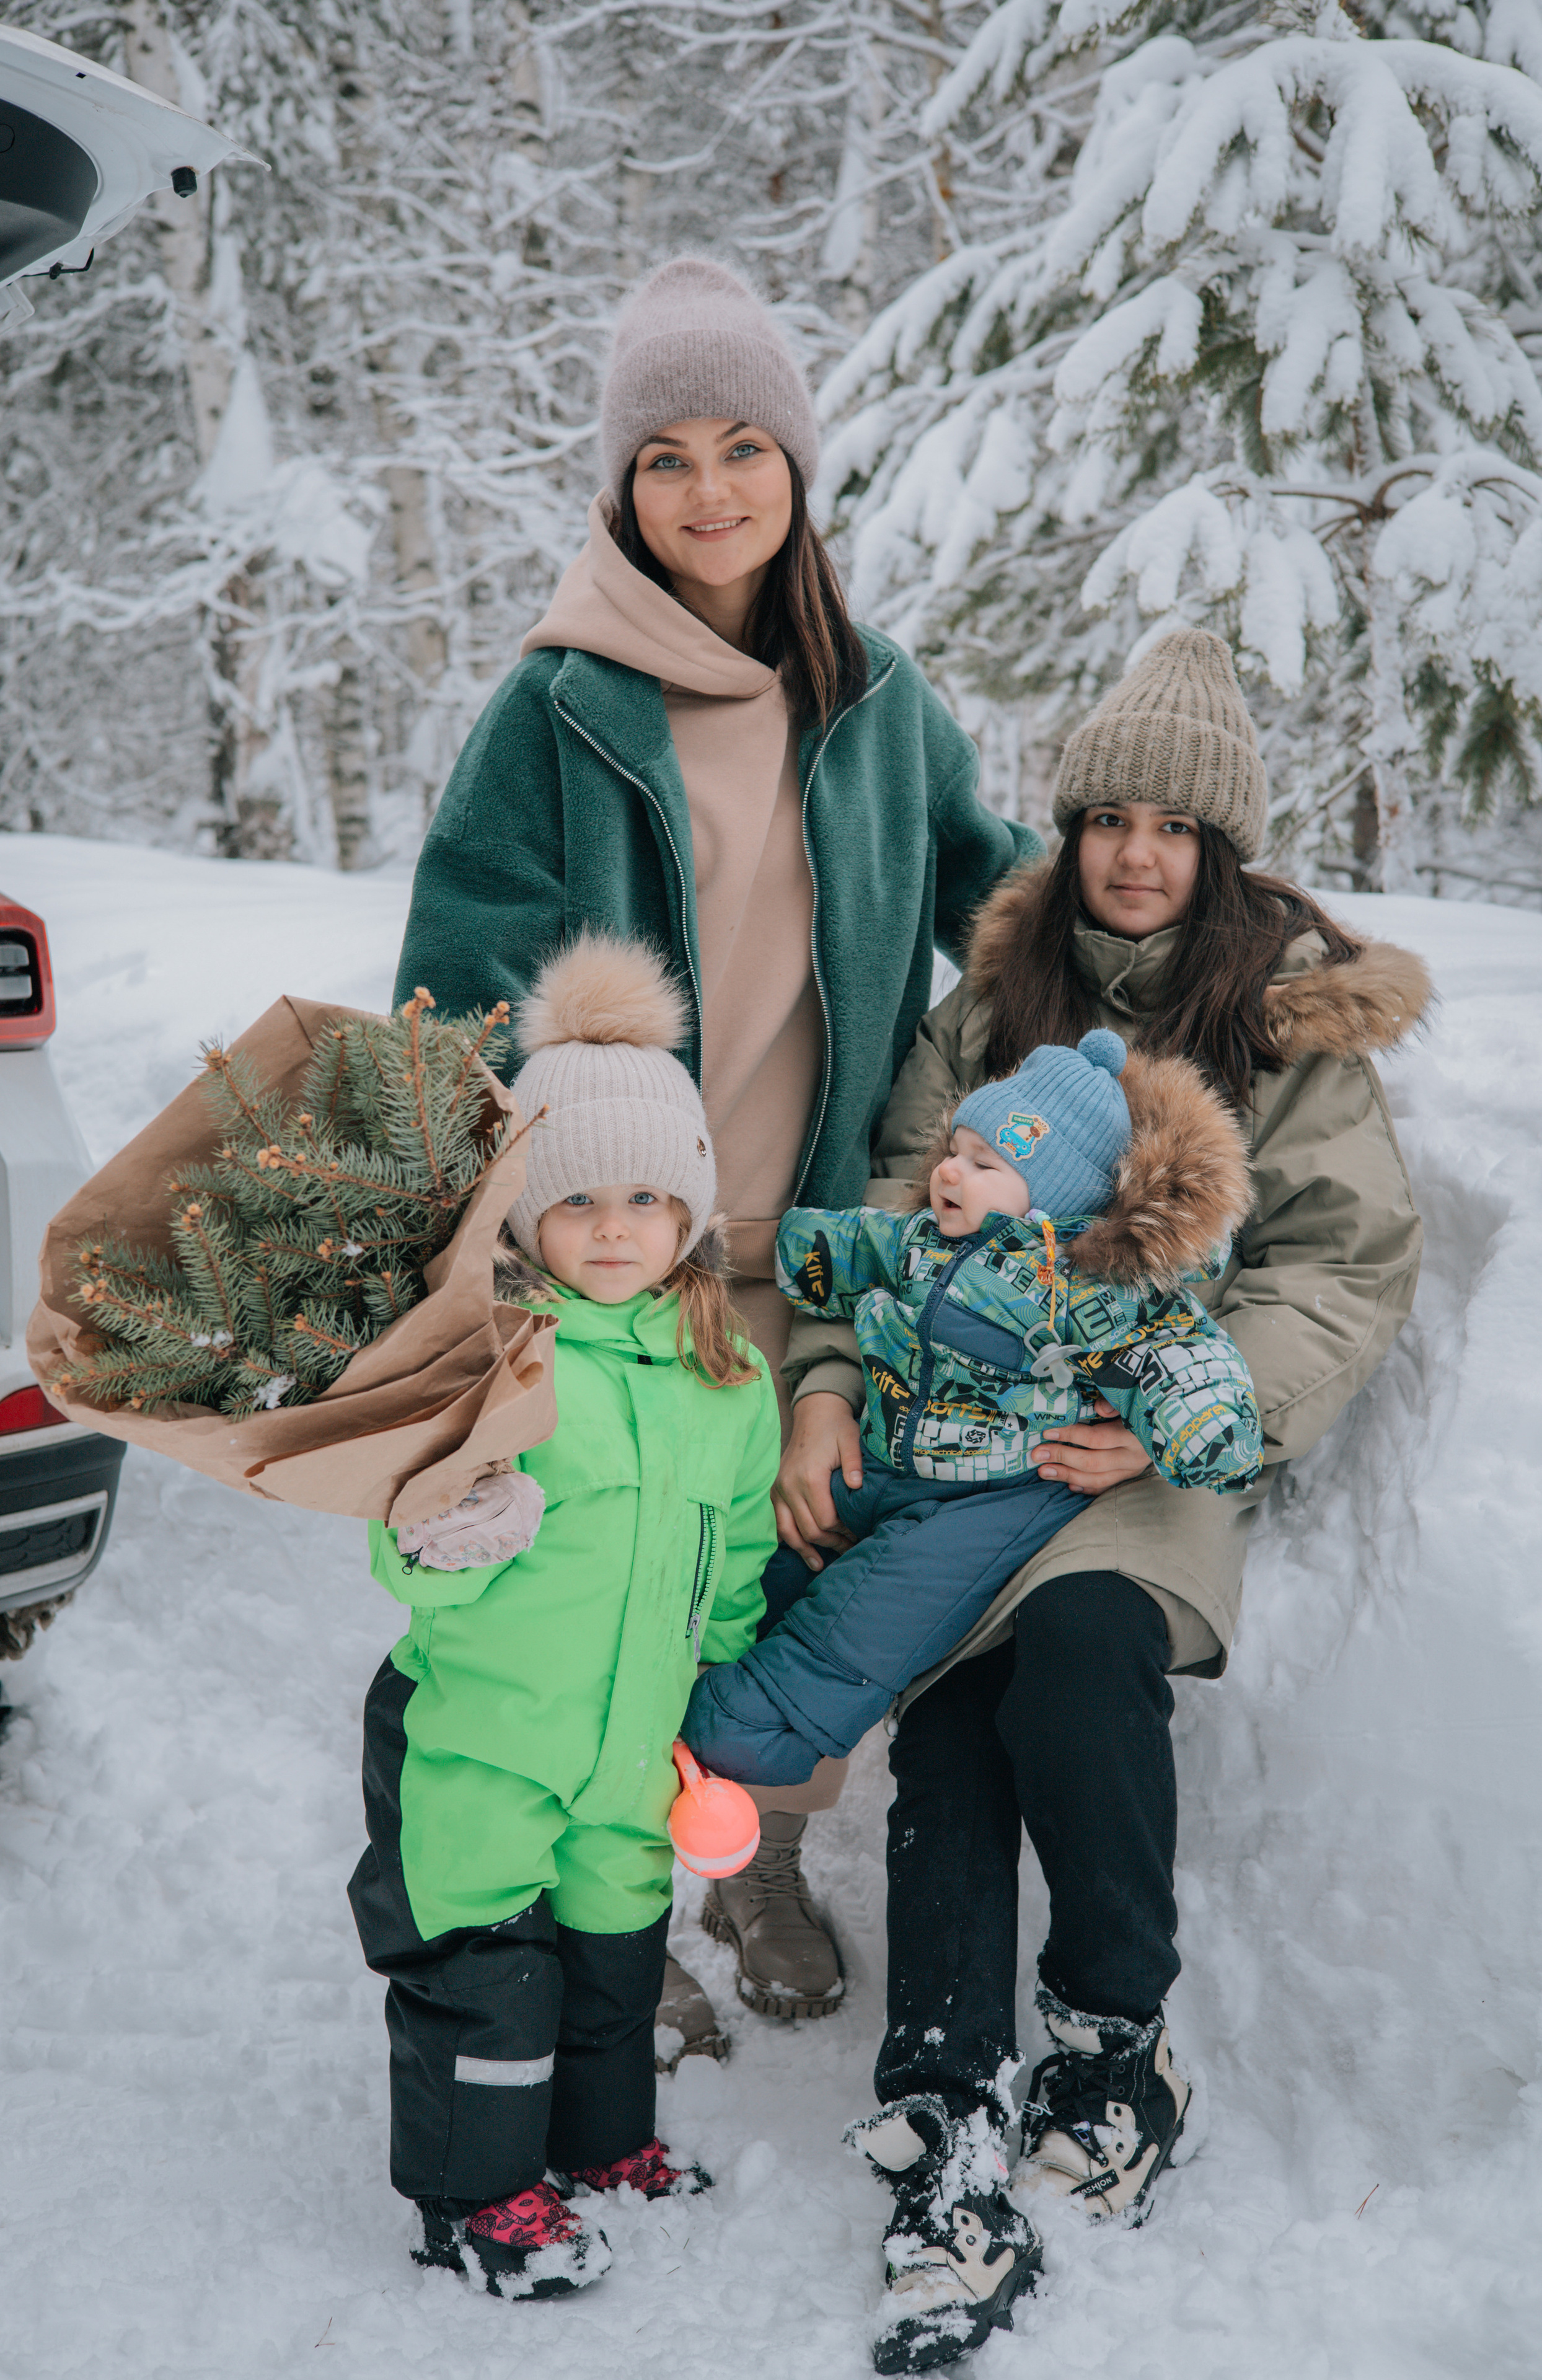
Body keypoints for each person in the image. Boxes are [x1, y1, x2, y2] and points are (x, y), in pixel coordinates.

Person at [392, 255, 1041, 2034]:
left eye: (743, 445)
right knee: (613, 1569)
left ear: (797, 467)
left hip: (809, 1240)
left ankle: (750, 1854)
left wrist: (1225, 963)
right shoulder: (560, 710)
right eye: (664, 456)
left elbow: (1008, 910)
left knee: (782, 1560)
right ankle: (610, 1901)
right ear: (621, 489)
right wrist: (464, 1244)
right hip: (611, 1244)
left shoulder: (878, 700)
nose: (709, 490)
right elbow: (452, 979)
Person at [779, 629, 1430, 2374]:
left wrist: (1181, 1429)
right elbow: (890, 1209)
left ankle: (1112, 2036)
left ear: (1220, 850)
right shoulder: (995, 1000)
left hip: (1145, 1434)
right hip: (965, 1435)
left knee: (1073, 1653)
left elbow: (1341, 1260)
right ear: (1067, 833)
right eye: (1106, 818)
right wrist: (832, 1384)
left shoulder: (1281, 1024)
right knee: (959, 1709)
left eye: (1174, 827)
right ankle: (944, 2106)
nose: (1136, 854)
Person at [346, 938, 780, 2301]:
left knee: (611, 1960)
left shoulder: (729, 1372)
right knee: (489, 1975)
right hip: (481, 1737)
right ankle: (476, 2197)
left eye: (647, 1198)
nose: (612, 1228)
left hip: (630, 1753)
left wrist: (719, 1679)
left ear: (690, 1209)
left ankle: (602, 2151)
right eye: (576, 1196)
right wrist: (451, 1535)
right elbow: (405, 1555)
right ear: (523, 1208)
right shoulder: (491, 1358)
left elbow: (741, 1539)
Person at [684, 1029, 1264, 1787]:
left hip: (993, 1498)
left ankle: (752, 1732)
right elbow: (837, 1248)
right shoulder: (924, 1241)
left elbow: (1183, 1355)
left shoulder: (1090, 1291)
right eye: (956, 1149)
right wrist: (700, 1246)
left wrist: (1207, 1428)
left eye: (984, 1164)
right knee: (779, 1549)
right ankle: (677, 1673)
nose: (950, 1170)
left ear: (1054, 1195)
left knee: (875, 1611)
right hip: (889, 1457)